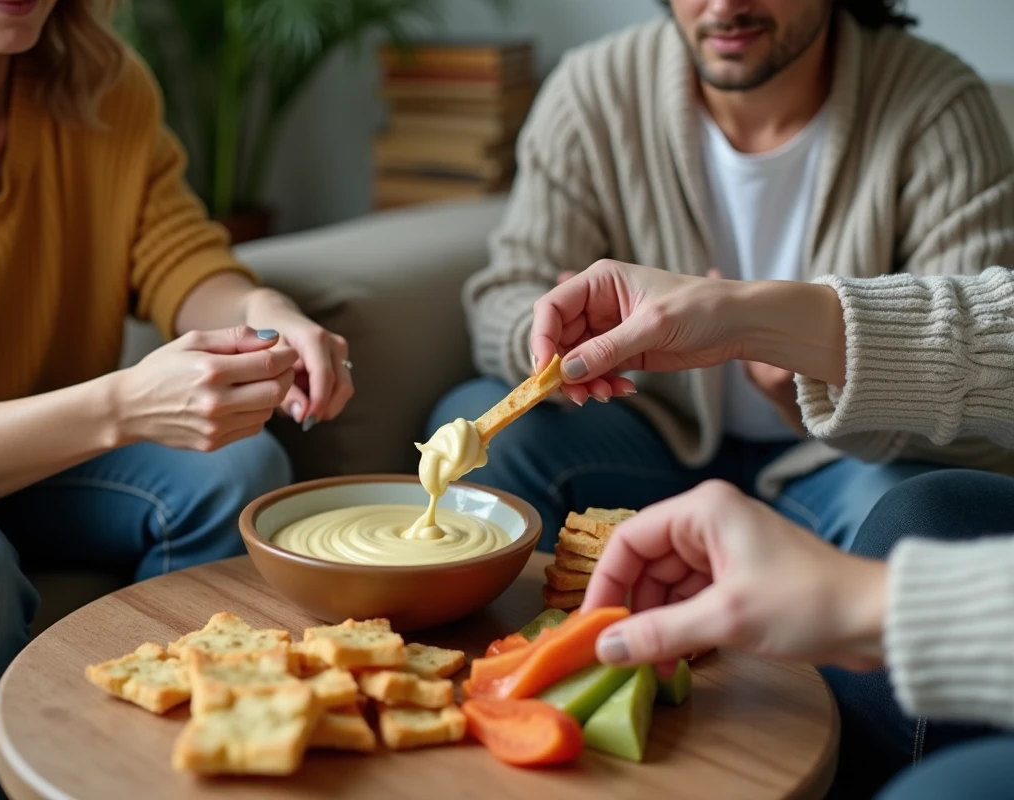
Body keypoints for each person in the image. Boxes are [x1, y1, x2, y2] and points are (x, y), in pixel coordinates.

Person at [0, 1, 353, 797]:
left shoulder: (101, 84)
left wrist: (266, 317)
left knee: (239, 466)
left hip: (20, 455)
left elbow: (176, 255)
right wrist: (123, 406)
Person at [430, 0, 1014, 551]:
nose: (724, 6)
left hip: (842, 466)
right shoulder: (593, 91)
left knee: (927, 519)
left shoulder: (938, 104)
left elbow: (977, 393)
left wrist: (819, 379)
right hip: (650, 437)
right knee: (481, 432)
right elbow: (507, 291)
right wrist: (553, 355)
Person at [531, 258, 1014, 798]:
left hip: (838, 457)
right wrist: (746, 317)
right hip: (654, 429)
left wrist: (868, 605)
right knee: (930, 512)